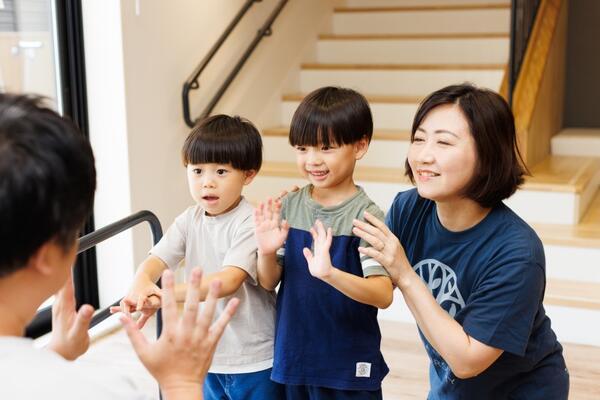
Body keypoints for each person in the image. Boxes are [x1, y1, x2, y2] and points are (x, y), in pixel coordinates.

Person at [0, 92, 238, 400]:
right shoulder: (97, 391)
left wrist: (55, 354)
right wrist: (181, 386)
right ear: (47, 255)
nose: (207, 182)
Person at [352, 83, 569, 399]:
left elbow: (468, 361)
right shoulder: (409, 208)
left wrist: (406, 275)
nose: (424, 155)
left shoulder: (518, 252)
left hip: (521, 390)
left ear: (487, 153)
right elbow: (372, 282)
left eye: (443, 142)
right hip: (451, 384)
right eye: (419, 139)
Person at [113, 115, 283, 399]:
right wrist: (141, 283)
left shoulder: (250, 221)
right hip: (205, 356)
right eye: (197, 171)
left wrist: (164, 296)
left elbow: (227, 281)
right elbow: (157, 258)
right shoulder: (188, 220)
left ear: (248, 175)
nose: (207, 183)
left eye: (220, 172)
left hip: (255, 358)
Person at [254, 86, 393, 400]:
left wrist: (331, 274)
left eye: (326, 148)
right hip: (294, 359)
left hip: (347, 366)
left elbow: (383, 295)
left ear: (360, 146)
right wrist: (265, 250)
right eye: (302, 148)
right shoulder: (289, 206)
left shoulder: (367, 217)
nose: (312, 160)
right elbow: (268, 281)